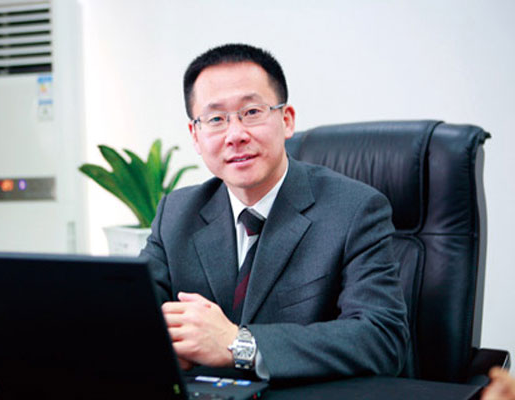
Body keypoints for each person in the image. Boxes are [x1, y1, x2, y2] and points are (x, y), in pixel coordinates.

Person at [140, 43, 409, 381]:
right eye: (216, 119)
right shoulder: (176, 214)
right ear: (195, 135)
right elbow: (132, 317)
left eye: (252, 112)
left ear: (286, 120)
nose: (235, 135)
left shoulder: (355, 209)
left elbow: (382, 338)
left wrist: (239, 344)